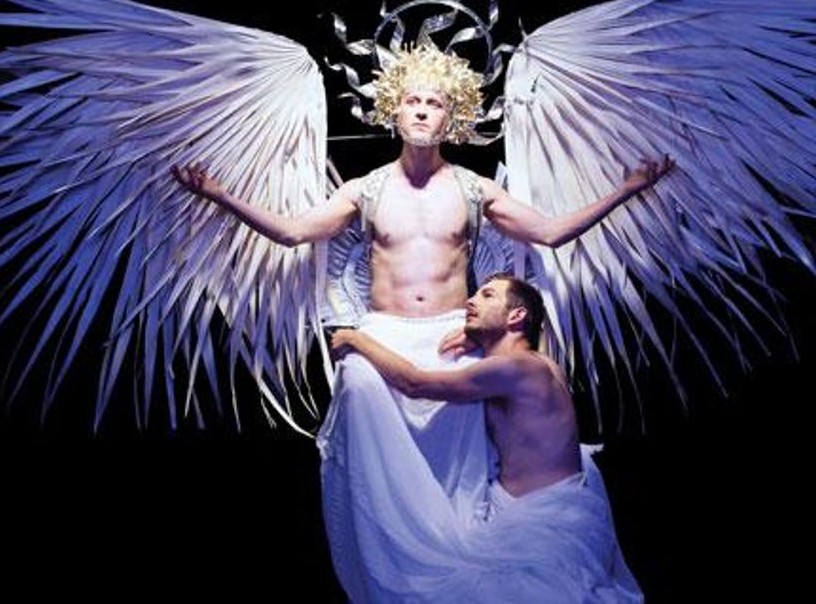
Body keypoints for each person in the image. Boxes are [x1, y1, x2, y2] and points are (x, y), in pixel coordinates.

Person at [171, 43, 671, 601]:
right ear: (394, 109)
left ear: (451, 116)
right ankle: (388, 572)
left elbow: (550, 233)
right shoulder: (365, 189)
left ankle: (460, 569)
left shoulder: (474, 189)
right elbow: (292, 233)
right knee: (358, 389)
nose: (423, 111)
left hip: (449, 335)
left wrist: (628, 190)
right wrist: (219, 195)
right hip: (384, 331)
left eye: (435, 103)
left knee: (459, 467)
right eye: (413, 100)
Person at [329, 273, 642, 601]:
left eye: (487, 295)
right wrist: (479, 339)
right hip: (550, 510)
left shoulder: (515, 369)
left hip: (540, 524)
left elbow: (415, 384)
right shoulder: (542, 365)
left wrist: (356, 339)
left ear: (516, 315)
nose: (471, 300)